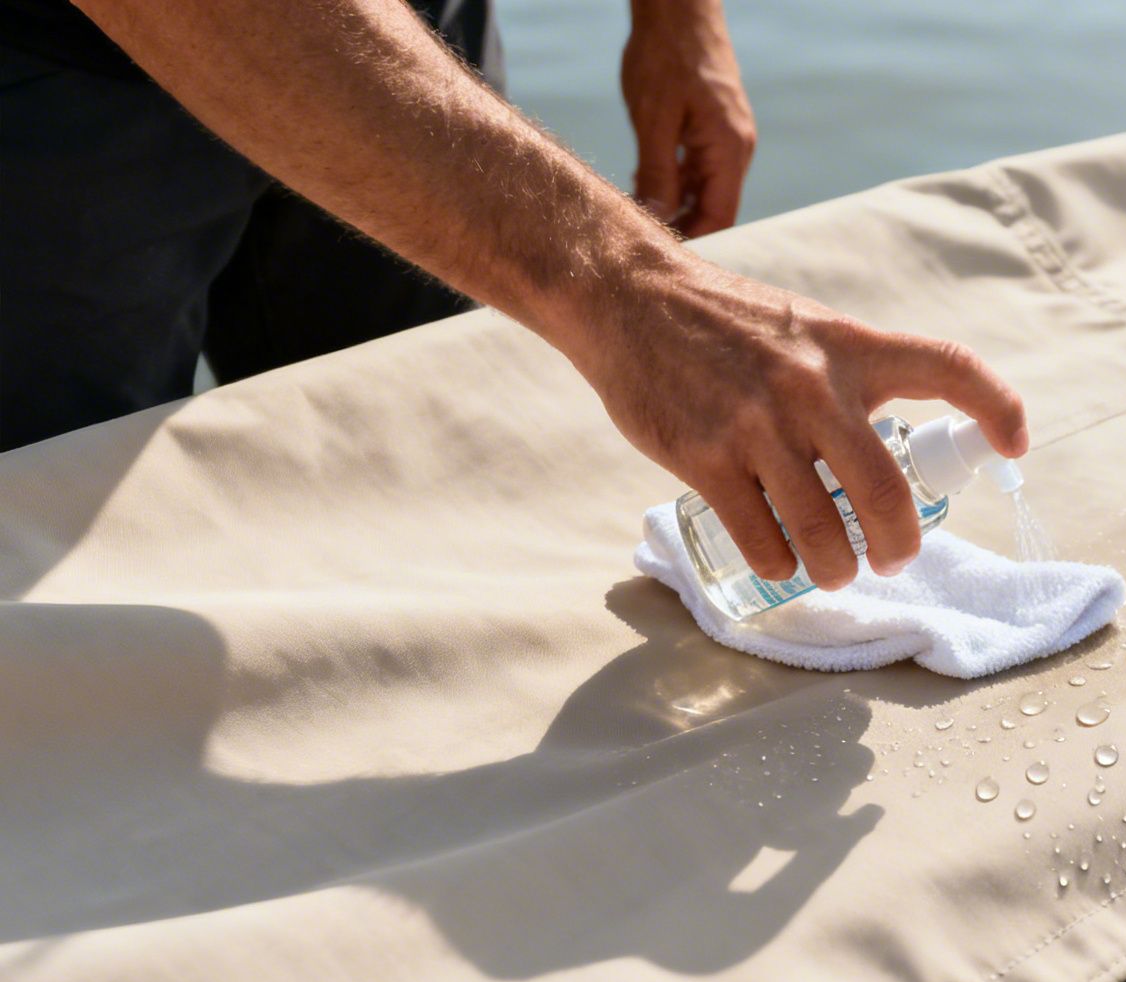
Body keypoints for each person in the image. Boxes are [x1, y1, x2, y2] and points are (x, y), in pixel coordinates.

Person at [0, 0, 1026, 591]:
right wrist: (630, 290)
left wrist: (677, 16)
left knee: (440, 510)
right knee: (37, 605)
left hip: (409, 35)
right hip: (49, 90)